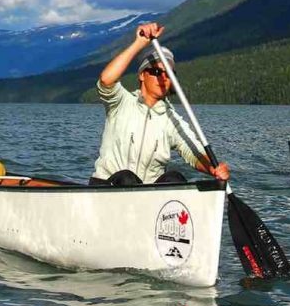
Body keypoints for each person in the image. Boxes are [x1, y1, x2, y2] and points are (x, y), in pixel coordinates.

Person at [89, 22, 230, 186]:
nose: (163, 78)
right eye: (156, 72)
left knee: (175, 178)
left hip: (146, 195)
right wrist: (140, 43)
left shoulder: (172, 120)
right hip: (107, 187)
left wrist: (213, 168)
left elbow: (195, 153)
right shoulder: (121, 103)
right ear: (142, 75)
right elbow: (106, 80)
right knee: (127, 177)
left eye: (168, 74)